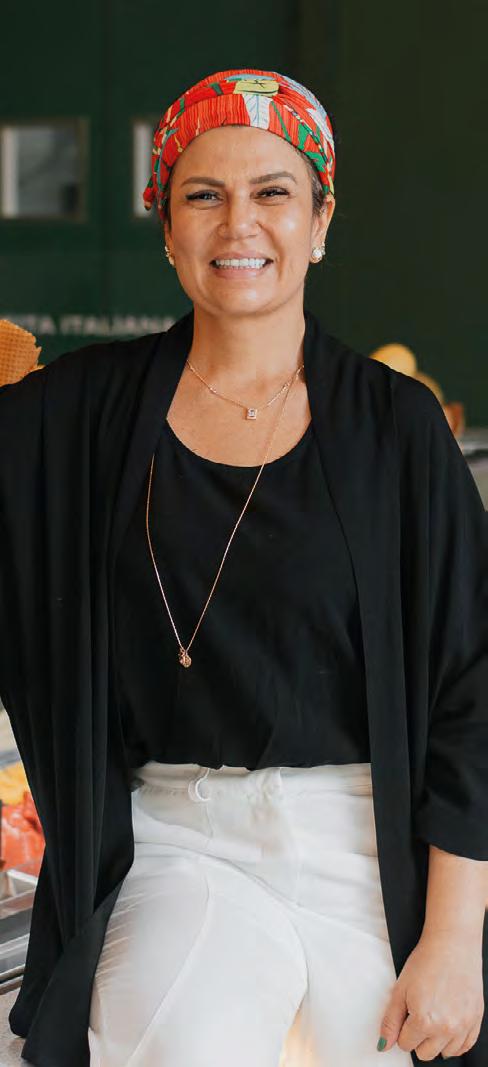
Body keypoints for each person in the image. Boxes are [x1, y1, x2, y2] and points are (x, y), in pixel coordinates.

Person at [0, 67, 486, 1067]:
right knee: (183, 1042)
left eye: (273, 192)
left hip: (370, 846)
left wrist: (452, 938)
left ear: (320, 220)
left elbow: (470, 693)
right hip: (174, 842)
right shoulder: (74, 415)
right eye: (203, 195)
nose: (239, 225)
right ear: (166, 226)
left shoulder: (395, 430)